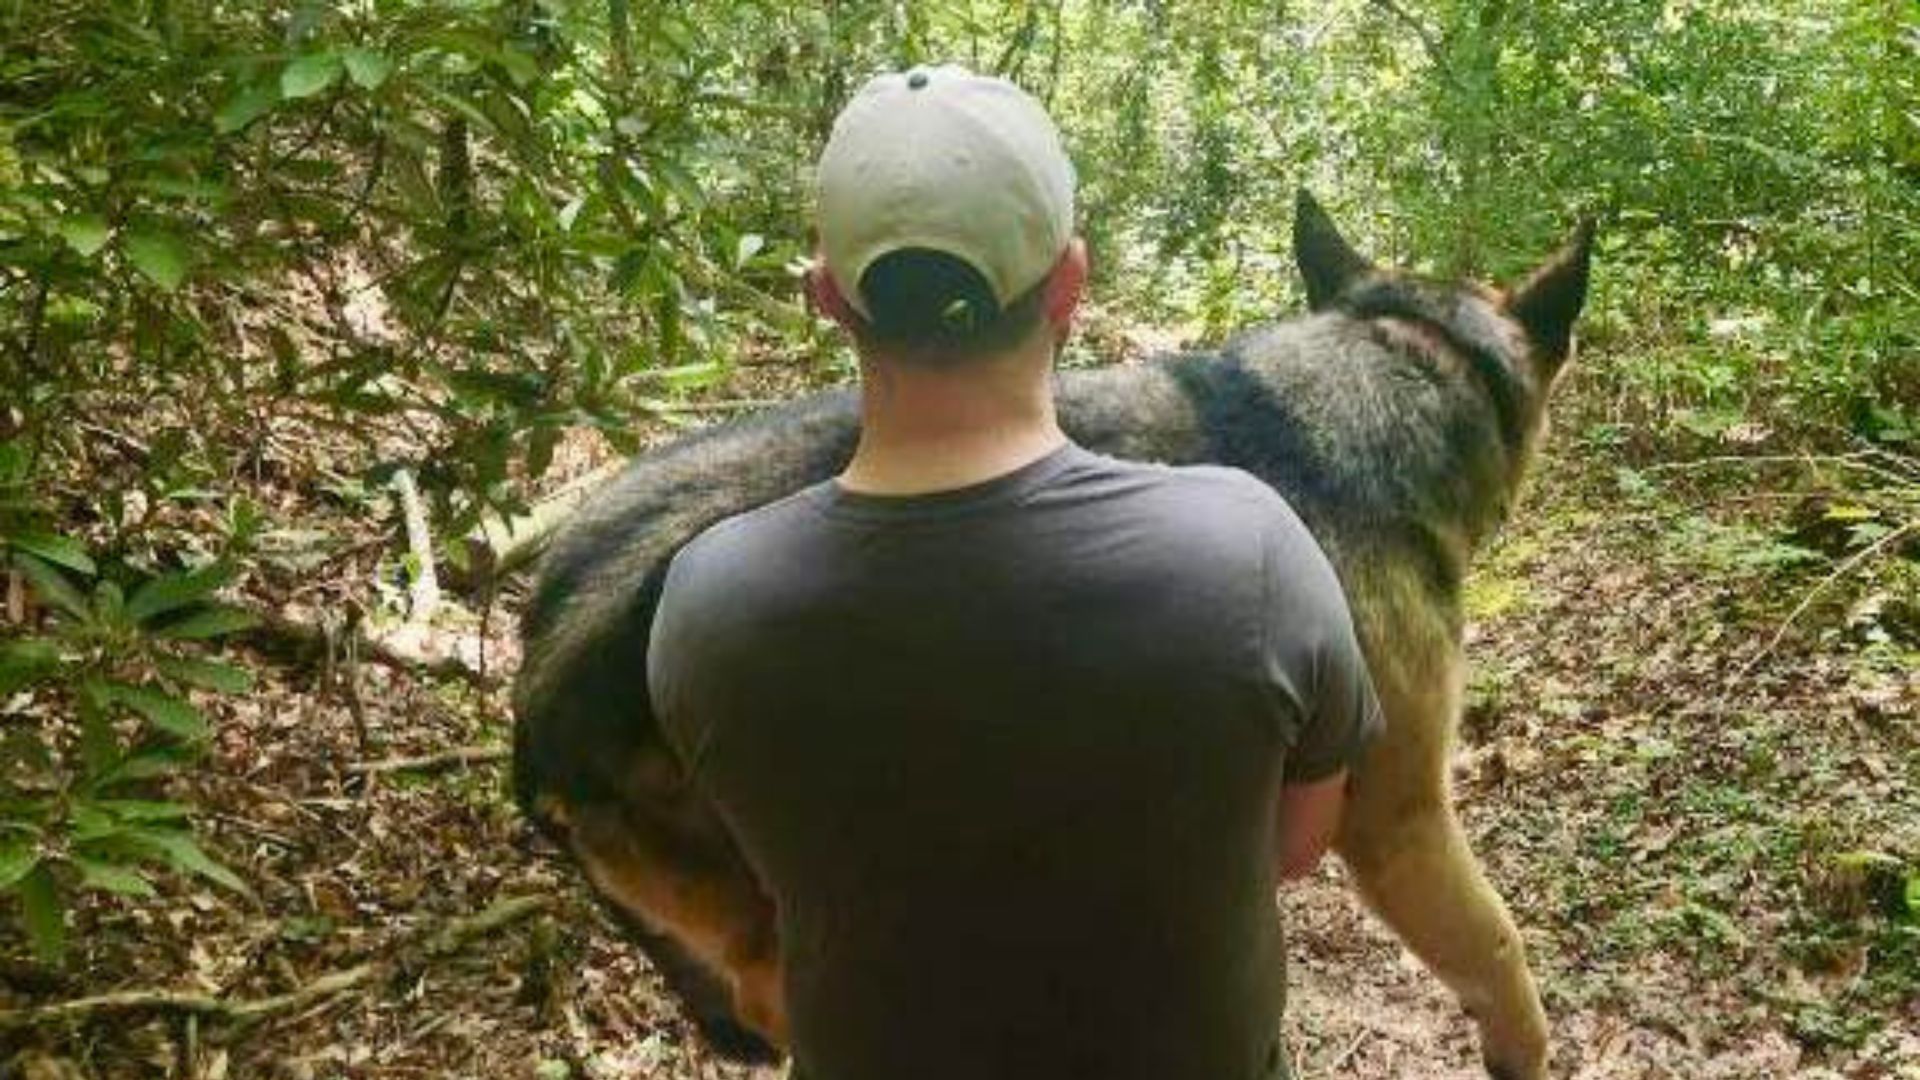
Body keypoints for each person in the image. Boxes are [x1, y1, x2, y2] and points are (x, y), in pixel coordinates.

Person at [647, 65, 1383, 1080]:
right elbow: (1295, 846)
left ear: (828, 297)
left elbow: (776, 866)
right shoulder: (1247, 551)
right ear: (1070, 282)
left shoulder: (711, 603)